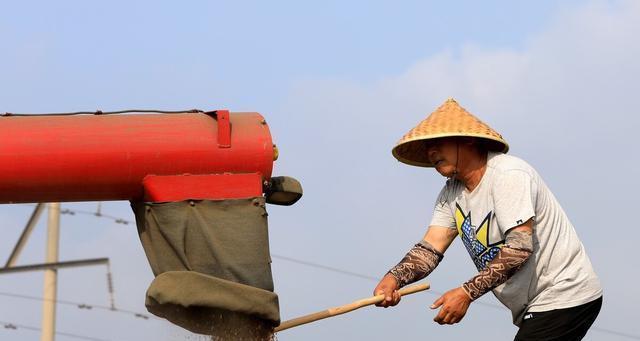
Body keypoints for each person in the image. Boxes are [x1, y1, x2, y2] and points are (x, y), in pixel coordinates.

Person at [374, 98, 602, 340]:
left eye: (438, 143)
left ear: (468, 139)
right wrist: (393, 278)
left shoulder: (508, 174)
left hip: (565, 292)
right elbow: (430, 249)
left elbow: (519, 249)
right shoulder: (451, 193)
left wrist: (466, 293)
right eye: (427, 147)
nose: (431, 152)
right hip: (534, 305)